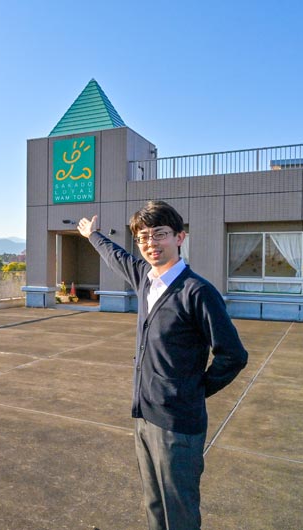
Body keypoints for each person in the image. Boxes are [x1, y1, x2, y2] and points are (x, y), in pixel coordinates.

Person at [76, 200, 248, 530]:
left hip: (178, 424)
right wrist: (93, 235)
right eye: (142, 237)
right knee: (154, 502)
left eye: (159, 234)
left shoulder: (197, 292)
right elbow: (117, 257)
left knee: (178, 510)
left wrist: (192, 391)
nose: (150, 243)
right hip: (144, 415)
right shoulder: (144, 277)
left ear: (180, 237)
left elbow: (233, 355)